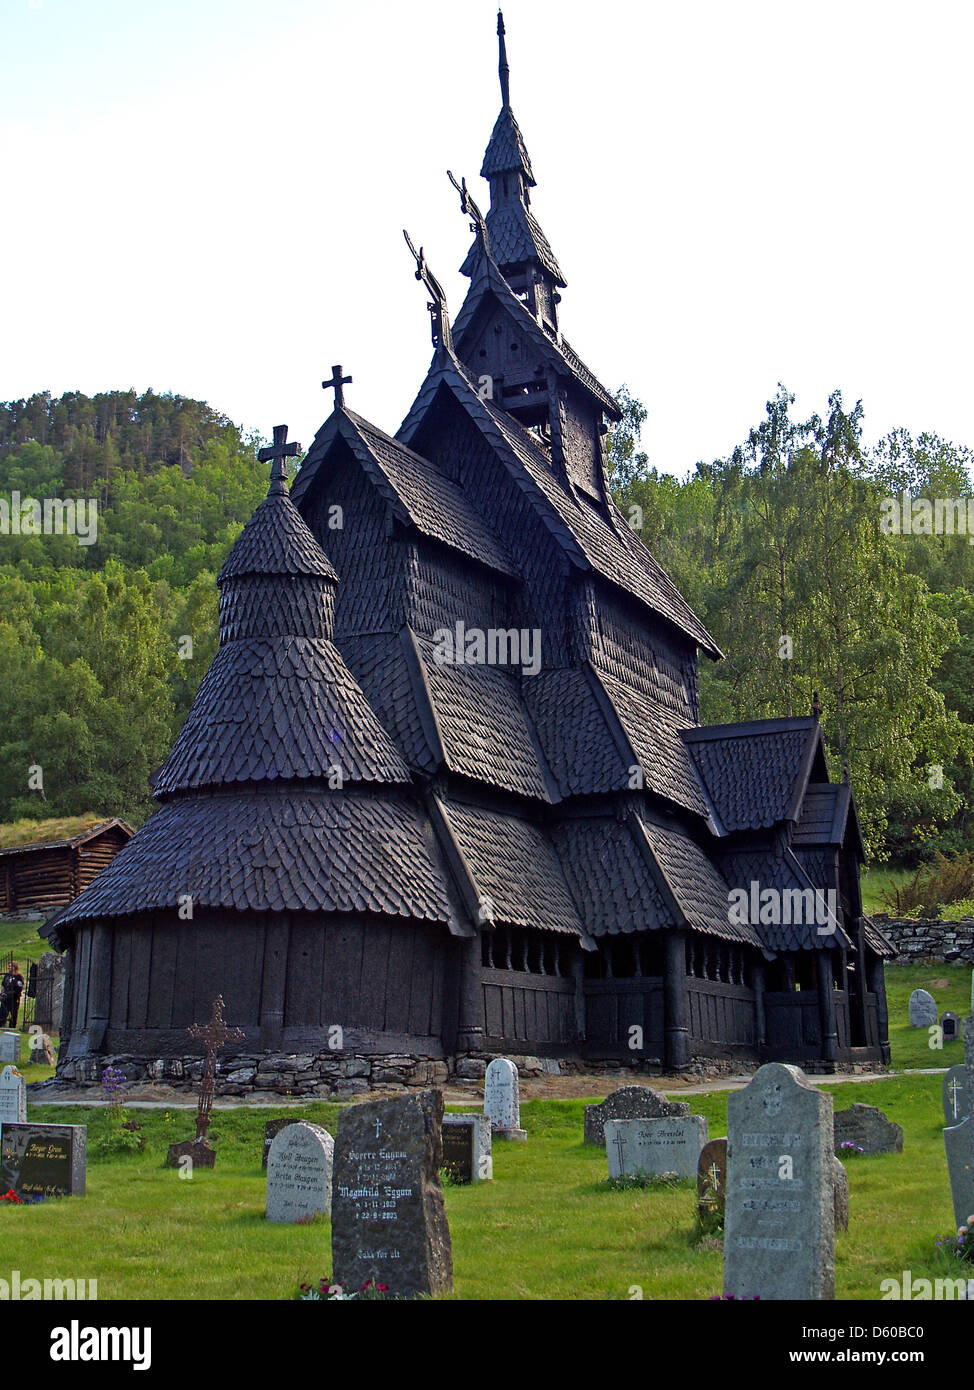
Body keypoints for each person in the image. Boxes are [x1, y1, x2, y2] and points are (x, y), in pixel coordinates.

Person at [0, 962, 24, 1029]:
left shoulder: (18, 976)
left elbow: (20, 986)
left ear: (14, 967)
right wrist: (2, 993)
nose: (9, 967)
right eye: (9, 966)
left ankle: (12, 1026)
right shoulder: (7, 975)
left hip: (14, 997)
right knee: (3, 1011)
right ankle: (1, 1024)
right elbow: (3, 985)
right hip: (6, 996)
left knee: (13, 1012)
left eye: (10, 966)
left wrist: (14, 981)